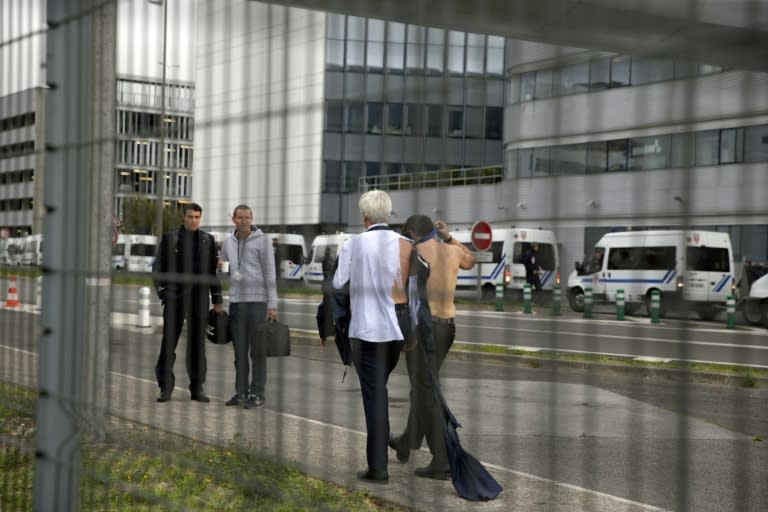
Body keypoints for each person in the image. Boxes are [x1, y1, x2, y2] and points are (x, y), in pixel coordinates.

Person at [332, 189, 411, 484]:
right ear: (387, 214)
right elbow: (407, 284)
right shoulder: (404, 243)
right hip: (394, 332)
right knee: (380, 391)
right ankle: (387, 445)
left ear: (364, 216)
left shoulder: (355, 243)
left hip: (366, 334)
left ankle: (378, 469)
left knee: (374, 398)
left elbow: (339, 281)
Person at [390, 215, 475, 480]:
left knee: (426, 393)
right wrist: (449, 236)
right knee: (424, 388)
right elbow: (470, 260)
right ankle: (407, 440)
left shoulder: (414, 254)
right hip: (448, 328)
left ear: (413, 235)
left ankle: (441, 459)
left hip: (423, 331)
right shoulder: (451, 251)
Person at [153, 203, 223, 403]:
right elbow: (158, 268)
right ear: (183, 217)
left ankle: (197, 387)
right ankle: (165, 388)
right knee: (168, 344)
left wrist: (217, 300)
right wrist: (163, 291)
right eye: (190, 217)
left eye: (197, 217)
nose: (194, 220)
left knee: (197, 346)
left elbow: (212, 274)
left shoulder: (208, 240)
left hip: (199, 300)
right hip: (175, 299)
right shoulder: (170, 238)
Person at [218, 204, 278, 409]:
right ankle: (241, 392)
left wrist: (272, 304)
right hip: (236, 303)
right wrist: (221, 267)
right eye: (240, 218)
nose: (244, 221)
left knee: (258, 353)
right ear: (233, 219)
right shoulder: (227, 242)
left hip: (258, 303)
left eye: (247, 217)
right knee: (239, 353)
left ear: (252, 218)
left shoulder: (263, 241)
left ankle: (257, 393)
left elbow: (270, 273)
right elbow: (229, 274)